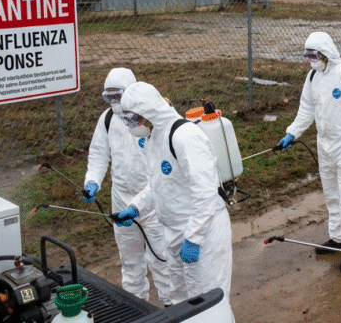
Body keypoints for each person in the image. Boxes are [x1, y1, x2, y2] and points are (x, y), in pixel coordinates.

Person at [112, 81, 235, 319]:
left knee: (210, 304)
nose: (132, 125)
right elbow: (157, 184)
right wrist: (135, 207)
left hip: (203, 234)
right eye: (127, 120)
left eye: (133, 119)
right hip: (174, 232)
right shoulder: (154, 137)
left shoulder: (185, 136)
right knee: (182, 303)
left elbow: (205, 191)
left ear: (148, 112)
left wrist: (194, 237)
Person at [277, 31, 341, 273]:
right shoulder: (312, 77)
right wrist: (292, 133)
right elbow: (306, 111)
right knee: (332, 195)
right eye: (308, 56)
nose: (311, 60)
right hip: (326, 145)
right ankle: (338, 238)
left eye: (314, 55)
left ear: (325, 52)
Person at [82, 68, 173, 305]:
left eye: (118, 96)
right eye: (108, 97)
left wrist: (138, 206)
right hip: (121, 199)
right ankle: (135, 306)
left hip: (152, 201)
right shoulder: (108, 119)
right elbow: (99, 154)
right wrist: (92, 181)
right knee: (130, 261)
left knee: (161, 260)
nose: (114, 102)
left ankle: (172, 307)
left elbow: (162, 171)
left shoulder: (149, 118)